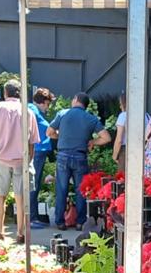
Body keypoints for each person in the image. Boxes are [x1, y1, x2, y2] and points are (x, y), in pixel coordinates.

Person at [0, 79, 39, 241]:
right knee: (20, 198)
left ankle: (0, 230)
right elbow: (33, 141)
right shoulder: (27, 111)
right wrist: (29, 159)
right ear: (20, 93)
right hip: (21, 160)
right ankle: (20, 233)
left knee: (0, 195)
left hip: (1, 158)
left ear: (5, 93)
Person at [46, 92, 110, 230]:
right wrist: (92, 142)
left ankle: (60, 222)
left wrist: (62, 136)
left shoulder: (63, 114)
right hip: (80, 157)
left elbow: (49, 132)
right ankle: (80, 222)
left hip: (63, 156)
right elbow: (106, 138)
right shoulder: (91, 118)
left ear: (75, 100)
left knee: (61, 189)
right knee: (81, 190)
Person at [28, 87, 54, 229]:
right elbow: (46, 129)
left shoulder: (34, 111)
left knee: (35, 184)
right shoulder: (33, 111)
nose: (48, 107)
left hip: (39, 151)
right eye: (48, 104)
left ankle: (33, 216)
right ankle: (31, 218)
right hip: (37, 151)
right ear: (43, 102)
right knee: (34, 184)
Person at [112, 92, 127, 170]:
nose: (120, 107)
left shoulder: (123, 116)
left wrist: (114, 155)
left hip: (125, 152)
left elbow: (119, 139)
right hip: (143, 152)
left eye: (121, 104)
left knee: (123, 176)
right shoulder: (146, 115)